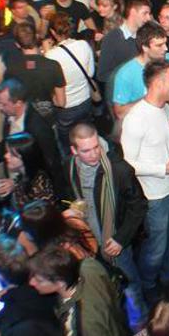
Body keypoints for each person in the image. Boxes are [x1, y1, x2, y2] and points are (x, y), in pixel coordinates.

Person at [121, 60, 169, 303]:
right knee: (155, 249)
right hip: (153, 198)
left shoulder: (165, 109)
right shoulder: (136, 119)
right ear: (158, 83)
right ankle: (148, 285)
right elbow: (128, 165)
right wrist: (165, 168)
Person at [67, 122, 149, 322]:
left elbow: (139, 206)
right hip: (89, 241)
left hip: (114, 241)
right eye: (86, 151)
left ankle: (141, 320)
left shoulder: (119, 170)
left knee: (130, 283)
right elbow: (71, 195)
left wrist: (121, 239)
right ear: (74, 151)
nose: (94, 154)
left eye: (96, 147)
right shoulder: (70, 167)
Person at [28, 245, 131, 336]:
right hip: (120, 328)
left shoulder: (83, 321)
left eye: (38, 280)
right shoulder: (88, 266)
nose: (32, 283)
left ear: (60, 282)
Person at [0, 77, 68, 200]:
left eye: (3, 104)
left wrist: (16, 182)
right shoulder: (10, 117)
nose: (0, 108)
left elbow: (46, 165)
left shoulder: (39, 129)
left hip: (35, 194)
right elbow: (7, 144)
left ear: (18, 103)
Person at [44, 12, 96, 148]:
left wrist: (46, 51)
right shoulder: (84, 45)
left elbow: (49, 84)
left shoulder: (51, 55)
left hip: (66, 108)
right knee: (86, 137)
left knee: (68, 144)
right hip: (85, 100)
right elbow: (90, 73)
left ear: (52, 32)